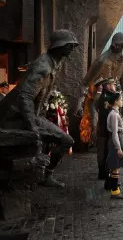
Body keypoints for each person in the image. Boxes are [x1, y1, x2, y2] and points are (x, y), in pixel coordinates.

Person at [0, 29, 78, 187]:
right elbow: (25, 96)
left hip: (33, 115)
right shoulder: (43, 66)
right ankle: (38, 174)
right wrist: (32, 126)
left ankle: (46, 175)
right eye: (69, 45)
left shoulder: (55, 62)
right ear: (59, 46)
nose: (72, 49)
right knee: (63, 140)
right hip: (15, 117)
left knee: (65, 141)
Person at [106, 92, 123, 199]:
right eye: (121, 100)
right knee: (115, 166)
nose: (122, 101)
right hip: (117, 140)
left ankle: (113, 185)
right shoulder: (114, 114)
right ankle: (115, 192)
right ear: (116, 101)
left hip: (117, 139)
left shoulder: (114, 113)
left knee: (115, 165)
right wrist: (118, 148)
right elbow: (115, 132)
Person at [95, 78, 116, 183]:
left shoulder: (101, 96)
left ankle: (103, 172)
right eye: (110, 84)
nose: (112, 86)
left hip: (102, 127)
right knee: (105, 151)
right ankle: (105, 173)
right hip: (106, 128)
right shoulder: (105, 97)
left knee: (102, 151)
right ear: (106, 86)